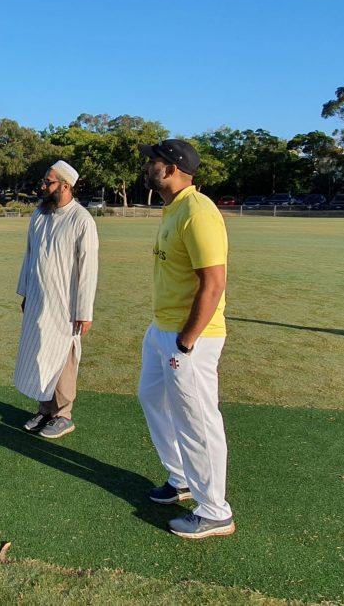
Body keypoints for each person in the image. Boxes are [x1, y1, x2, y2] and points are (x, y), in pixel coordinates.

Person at [137, 139, 235, 540]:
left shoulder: (198, 212)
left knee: (197, 419)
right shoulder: (172, 208)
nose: (148, 166)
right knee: (151, 397)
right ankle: (180, 478)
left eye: (153, 161)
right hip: (162, 328)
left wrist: (187, 340)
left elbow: (213, 284)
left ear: (172, 168)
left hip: (190, 335)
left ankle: (215, 509)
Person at [13, 160, 99, 439]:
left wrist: (84, 311)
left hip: (66, 304)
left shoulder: (81, 220)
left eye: (48, 182)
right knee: (39, 353)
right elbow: (28, 256)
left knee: (64, 357)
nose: (43, 186)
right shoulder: (39, 215)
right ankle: (45, 409)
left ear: (65, 185)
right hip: (38, 299)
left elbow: (88, 270)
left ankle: (64, 414)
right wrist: (25, 292)